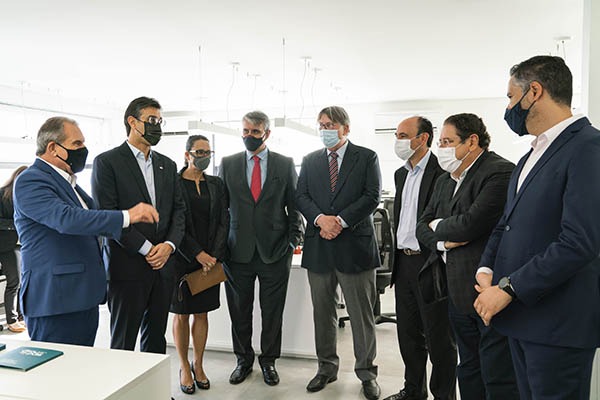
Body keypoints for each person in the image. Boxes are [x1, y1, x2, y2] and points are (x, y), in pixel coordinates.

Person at [473, 55, 600, 400]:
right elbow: (506, 224)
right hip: (521, 318)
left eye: (511, 97)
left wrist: (509, 288)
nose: (509, 108)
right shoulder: (529, 157)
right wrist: (486, 269)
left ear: (534, 92)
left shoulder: (588, 147)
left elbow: (579, 241)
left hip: (558, 324)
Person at [12, 116, 158, 346]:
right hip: (56, 300)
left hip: (83, 296)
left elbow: (96, 220)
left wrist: (147, 246)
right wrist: (127, 215)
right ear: (53, 148)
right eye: (77, 144)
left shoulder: (70, 184)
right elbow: (66, 219)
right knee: (59, 366)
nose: (83, 149)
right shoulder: (31, 180)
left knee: (82, 364)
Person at [416, 113, 518, 399]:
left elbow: (470, 224)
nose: (441, 148)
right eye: (440, 142)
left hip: (487, 289)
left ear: (472, 141)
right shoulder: (445, 180)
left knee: (496, 373)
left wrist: (437, 225)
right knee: (469, 367)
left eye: (447, 142)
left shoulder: (499, 172)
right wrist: (443, 244)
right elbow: (420, 226)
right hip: (455, 290)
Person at [295, 106, 382, 400]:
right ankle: (326, 368)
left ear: (346, 128)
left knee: (361, 315)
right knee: (323, 314)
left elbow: (372, 196)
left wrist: (340, 221)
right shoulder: (310, 160)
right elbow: (301, 196)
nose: (325, 130)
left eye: (330, 125)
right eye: (321, 125)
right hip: (319, 246)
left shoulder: (366, 157)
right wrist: (321, 220)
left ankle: (367, 373)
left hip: (354, 246)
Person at [92, 96, 186, 354]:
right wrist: (147, 249)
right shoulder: (107, 162)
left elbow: (179, 211)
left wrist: (168, 246)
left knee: (156, 341)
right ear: (132, 122)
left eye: (160, 121)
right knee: (123, 342)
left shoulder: (167, 164)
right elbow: (108, 216)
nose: (157, 126)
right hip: (127, 267)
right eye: (152, 120)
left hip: (163, 267)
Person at [218, 110, 302, 386]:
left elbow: (294, 206)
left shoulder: (284, 164)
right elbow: (221, 209)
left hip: (275, 252)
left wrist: (292, 241)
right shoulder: (228, 163)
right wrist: (221, 247)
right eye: (245, 131)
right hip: (236, 252)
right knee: (239, 312)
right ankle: (243, 360)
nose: (249, 136)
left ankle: (269, 362)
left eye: (255, 132)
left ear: (267, 133)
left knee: (272, 313)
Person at [384, 116, 456, 400]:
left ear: (423, 138)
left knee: (439, 338)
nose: (398, 141)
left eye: (403, 135)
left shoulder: (443, 172)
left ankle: (443, 395)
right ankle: (413, 390)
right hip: (403, 263)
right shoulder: (400, 174)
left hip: (430, 263)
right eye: (397, 135)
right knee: (408, 335)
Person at [171, 135, 229, 395]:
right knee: (182, 314)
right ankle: (184, 366)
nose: (204, 156)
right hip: (182, 258)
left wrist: (213, 255)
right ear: (187, 155)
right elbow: (174, 223)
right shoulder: (173, 183)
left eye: (208, 152)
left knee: (202, 313)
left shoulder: (216, 184)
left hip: (210, 261)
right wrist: (198, 254)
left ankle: (199, 364)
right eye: (199, 152)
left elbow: (224, 220)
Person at [0, 166, 27, 333]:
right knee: (14, 281)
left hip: (22, 244)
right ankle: (12, 319)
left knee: (23, 281)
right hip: (6, 245)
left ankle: (22, 316)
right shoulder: (2, 194)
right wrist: (17, 223)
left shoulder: (26, 196)